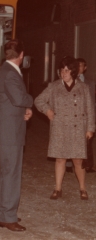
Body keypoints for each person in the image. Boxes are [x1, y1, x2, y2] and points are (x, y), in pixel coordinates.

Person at [35, 56, 95, 201]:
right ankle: (57, 188)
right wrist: (47, 110)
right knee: (60, 159)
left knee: (78, 160)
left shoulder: (83, 87)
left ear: (73, 72)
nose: (64, 73)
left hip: (78, 128)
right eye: (62, 70)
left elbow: (90, 109)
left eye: (67, 70)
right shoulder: (54, 86)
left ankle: (82, 188)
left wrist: (90, 128)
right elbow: (38, 100)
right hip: (60, 128)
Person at [0, 39, 33, 232]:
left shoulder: (6, 71)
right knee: (12, 172)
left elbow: (11, 101)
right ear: (21, 55)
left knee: (6, 171)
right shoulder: (10, 74)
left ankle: (0, 210)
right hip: (9, 132)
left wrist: (24, 109)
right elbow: (18, 98)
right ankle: (8, 216)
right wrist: (30, 101)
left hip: (7, 128)